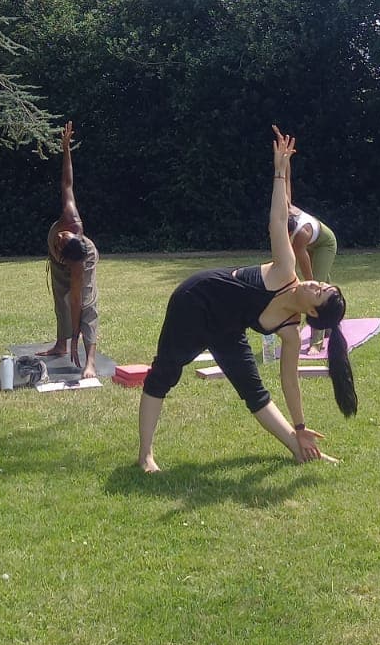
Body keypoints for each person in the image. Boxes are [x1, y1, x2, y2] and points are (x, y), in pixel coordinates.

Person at [138, 127, 358, 473]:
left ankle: (300, 449)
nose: (315, 281)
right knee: (164, 373)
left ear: (313, 311)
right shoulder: (286, 271)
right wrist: (279, 171)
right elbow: (278, 220)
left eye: (319, 290)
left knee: (254, 392)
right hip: (194, 302)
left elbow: (290, 381)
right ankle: (146, 456)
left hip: (227, 329)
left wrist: (300, 428)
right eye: (320, 283)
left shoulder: (289, 330)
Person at [39, 120, 100, 380]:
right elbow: (67, 183)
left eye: (62, 240)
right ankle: (59, 344)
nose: (61, 236)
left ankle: (91, 362)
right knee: (58, 299)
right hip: (60, 262)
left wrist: (77, 338)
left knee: (86, 305)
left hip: (83, 261)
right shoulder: (70, 217)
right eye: (62, 237)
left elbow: (76, 302)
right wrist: (66, 149)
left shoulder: (78, 265)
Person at [278, 143, 339, 350]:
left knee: (318, 288)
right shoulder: (285, 208)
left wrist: (308, 287)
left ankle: (317, 342)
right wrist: (284, 159)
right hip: (312, 243)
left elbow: (309, 279)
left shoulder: (300, 237)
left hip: (324, 244)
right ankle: (333, 321)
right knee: (327, 288)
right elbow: (286, 181)